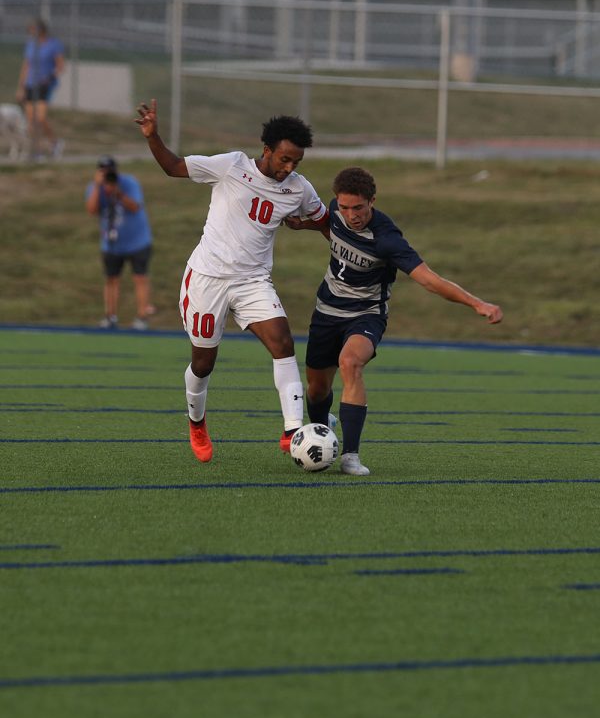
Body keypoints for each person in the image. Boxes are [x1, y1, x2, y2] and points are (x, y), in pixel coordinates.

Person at [135, 98, 328, 465]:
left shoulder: (300, 189)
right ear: (266, 150)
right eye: (284, 159)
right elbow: (174, 167)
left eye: (296, 163)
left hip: (252, 280)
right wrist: (153, 136)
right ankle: (196, 422)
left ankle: (292, 431)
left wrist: (316, 230)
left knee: (283, 342)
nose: (289, 168)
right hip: (207, 278)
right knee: (204, 363)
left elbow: (324, 222)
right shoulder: (232, 165)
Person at [289, 166, 503, 476]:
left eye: (359, 208)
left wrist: (476, 303)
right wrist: (303, 224)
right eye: (346, 207)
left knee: (350, 363)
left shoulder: (387, 239)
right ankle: (322, 430)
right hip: (326, 311)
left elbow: (429, 280)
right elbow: (328, 225)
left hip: (366, 314)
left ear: (372, 201)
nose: (352, 215)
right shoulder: (335, 210)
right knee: (317, 389)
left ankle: (350, 455)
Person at [85, 156, 155, 331]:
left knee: (140, 278)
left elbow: (135, 207)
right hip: (111, 244)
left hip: (137, 240)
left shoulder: (129, 183)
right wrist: (97, 187)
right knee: (111, 279)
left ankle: (142, 317)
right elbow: (92, 210)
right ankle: (110, 316)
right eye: (103, 171)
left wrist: (117, 192)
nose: (108, 174)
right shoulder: (95, 188)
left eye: (110, 171)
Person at [16, 19, 65, 160]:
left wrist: (50, 77)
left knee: (40, 118)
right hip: (30, 84)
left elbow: (60, 65)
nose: (32, 33)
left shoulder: (53, 44)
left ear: (41, 30)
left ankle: (55, 143)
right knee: (31, 120)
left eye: (34, 29)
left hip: (44, 85)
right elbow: (26, 66)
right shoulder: (31, 45)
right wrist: (21, 87)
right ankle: (37, 151)